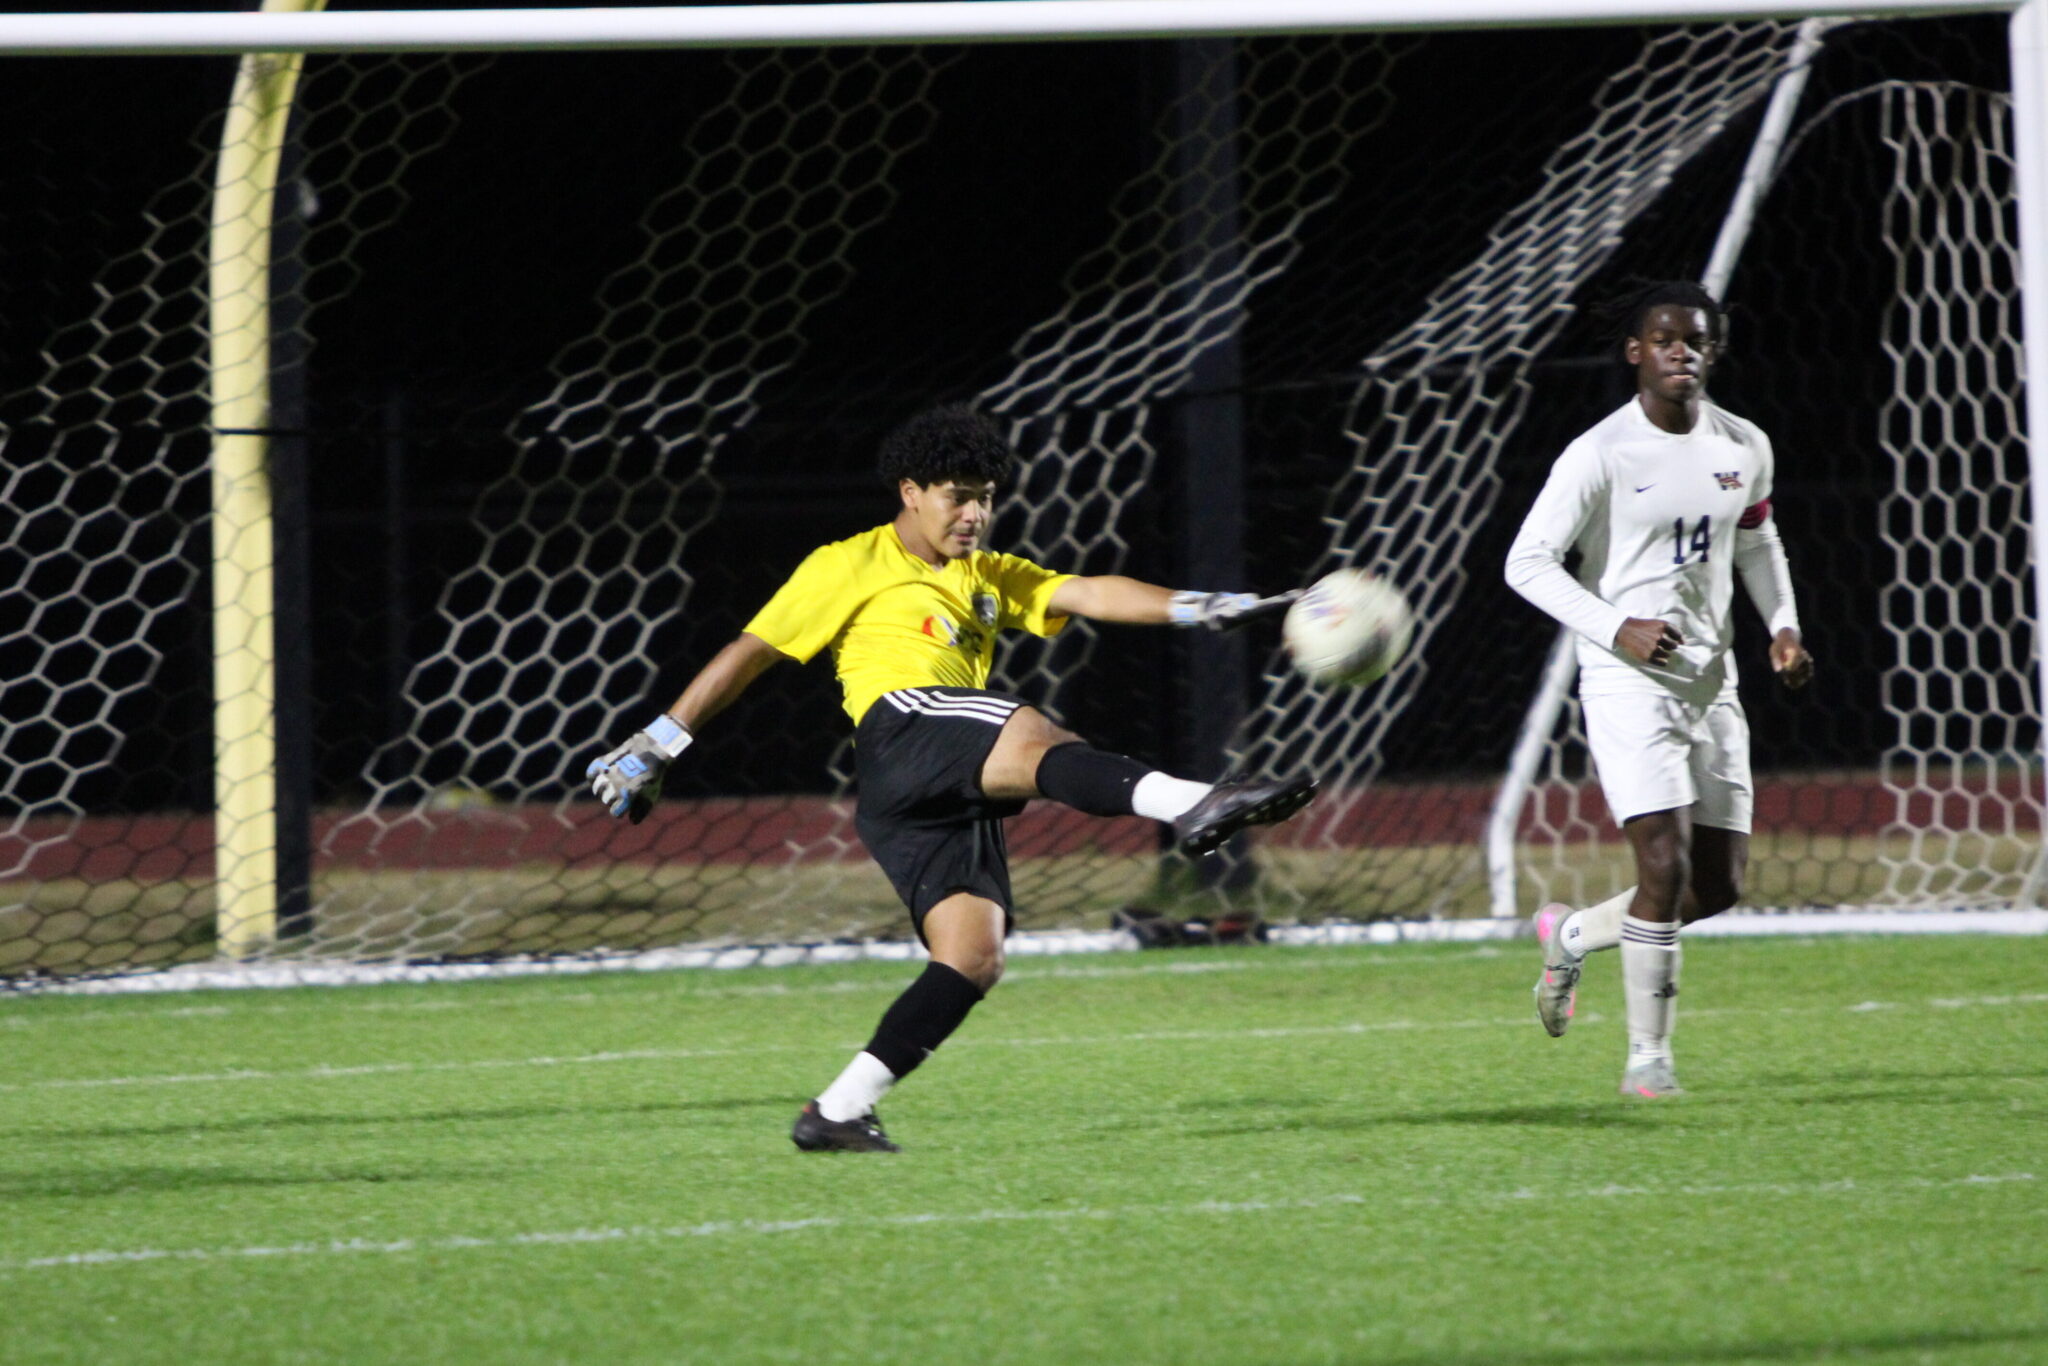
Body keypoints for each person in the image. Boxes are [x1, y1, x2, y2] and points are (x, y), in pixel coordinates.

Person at [586, 403, 1316, 1151]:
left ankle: (836, 1111)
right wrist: (657, 744)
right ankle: (1197, 803)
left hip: (922, 792)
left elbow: (1088, 592)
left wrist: (1209, 607)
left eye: (987, 497)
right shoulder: (848, 563)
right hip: (903, 725)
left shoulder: (989, 575)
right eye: (956, 495)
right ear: (910, 492)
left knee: (973, 953)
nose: (974, 513)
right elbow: (753, 651)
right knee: (1033, 731)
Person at [1503, 281, 1814, 1099]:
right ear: (1635, 352)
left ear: (1713, 352)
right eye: (1665, 339)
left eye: (1697, 341)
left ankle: (1571, 934)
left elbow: (1757, 541)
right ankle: (1649, 1062)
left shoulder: (1743, 445)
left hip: (1712, 681)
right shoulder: (1599, 453)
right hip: (1626, 682)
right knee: (1664, 866)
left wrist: (1783, 625)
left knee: (1718, 887)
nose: (1682, 352)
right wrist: (1616, 627)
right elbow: (1526, 562)